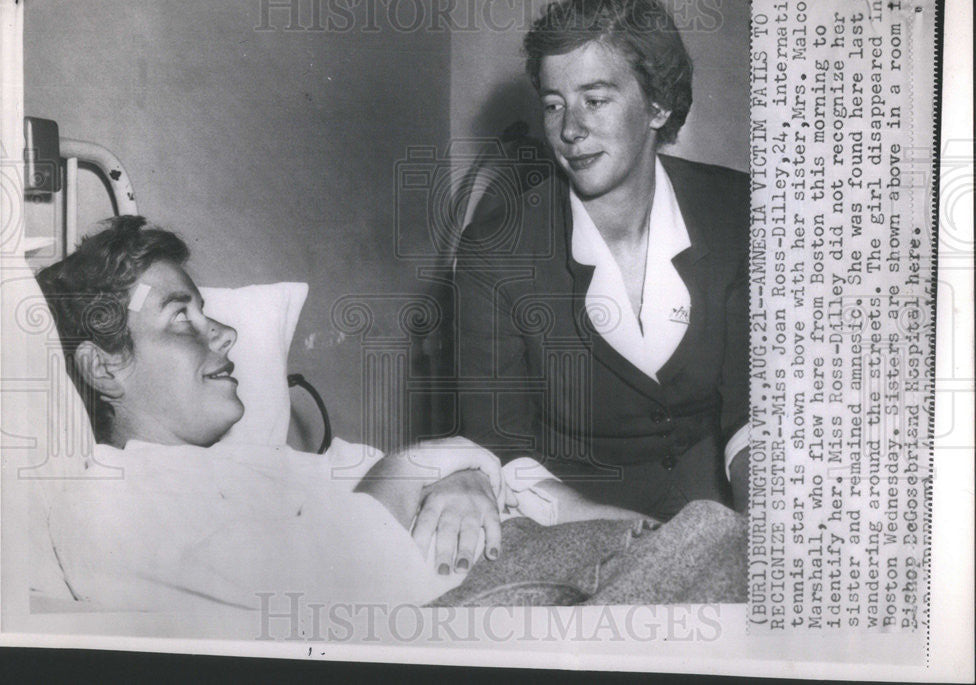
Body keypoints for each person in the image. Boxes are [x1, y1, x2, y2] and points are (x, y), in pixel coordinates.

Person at [33, 216, 647, 612]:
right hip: (488, 608)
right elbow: (333, 586)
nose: (221, 335)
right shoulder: (107, 503)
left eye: (208, 313)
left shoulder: (273, 464)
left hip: (555, 558)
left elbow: (479, 467)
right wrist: (425, 471)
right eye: (181, 318)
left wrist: (459, 476)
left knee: (705, 537)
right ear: (105, 367)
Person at [455, 0, 751, 521]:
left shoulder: (737, 212)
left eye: (595, 99)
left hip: (719, 505)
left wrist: (761, 535)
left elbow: (755, 412)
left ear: (658, 105)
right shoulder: (494, 249)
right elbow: (499, 443)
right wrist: (619, 531)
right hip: (571, 516)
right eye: (553, 104)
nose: (569, 130)